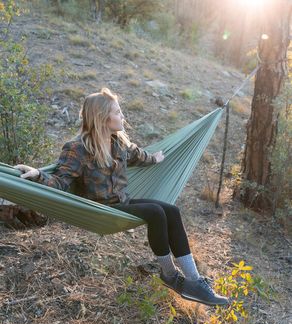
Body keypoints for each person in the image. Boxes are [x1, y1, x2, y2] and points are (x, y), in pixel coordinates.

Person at [14, 88, 229, 306]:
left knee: (171, 211)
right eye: (117, 112)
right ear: (102, 117)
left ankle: (193, 280)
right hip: (100, 209)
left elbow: (137, 155)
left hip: (122, 202)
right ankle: (170, 275)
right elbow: (61, 181)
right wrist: (39, 175)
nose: (122, 116)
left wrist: (156, 158)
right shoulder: (78, 148)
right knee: (155, 213)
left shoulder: (118, 143)